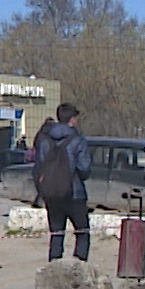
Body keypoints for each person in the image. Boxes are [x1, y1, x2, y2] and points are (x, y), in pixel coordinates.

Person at [35, 103, 92, 261]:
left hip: (52, 193)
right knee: (82, 232)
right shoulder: (78, 140)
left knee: (56, 234)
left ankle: (54, 269)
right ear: (72, 119)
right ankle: (79, 267)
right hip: (75, 194)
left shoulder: (45, 140)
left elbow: (39, 165)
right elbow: (84, 168)